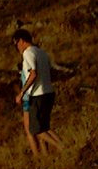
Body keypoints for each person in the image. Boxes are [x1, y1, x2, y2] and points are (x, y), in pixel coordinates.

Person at [12, 28, 63, 156]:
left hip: (37, 94)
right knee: (44, 127)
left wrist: (22, 92)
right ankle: (47, 156)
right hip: (48, 92)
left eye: (16, 43)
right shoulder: (42, 52)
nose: (16, 47)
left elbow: (33, 74)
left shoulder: (28, 53)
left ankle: (61, 146)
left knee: (35, 130)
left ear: (22, 41)